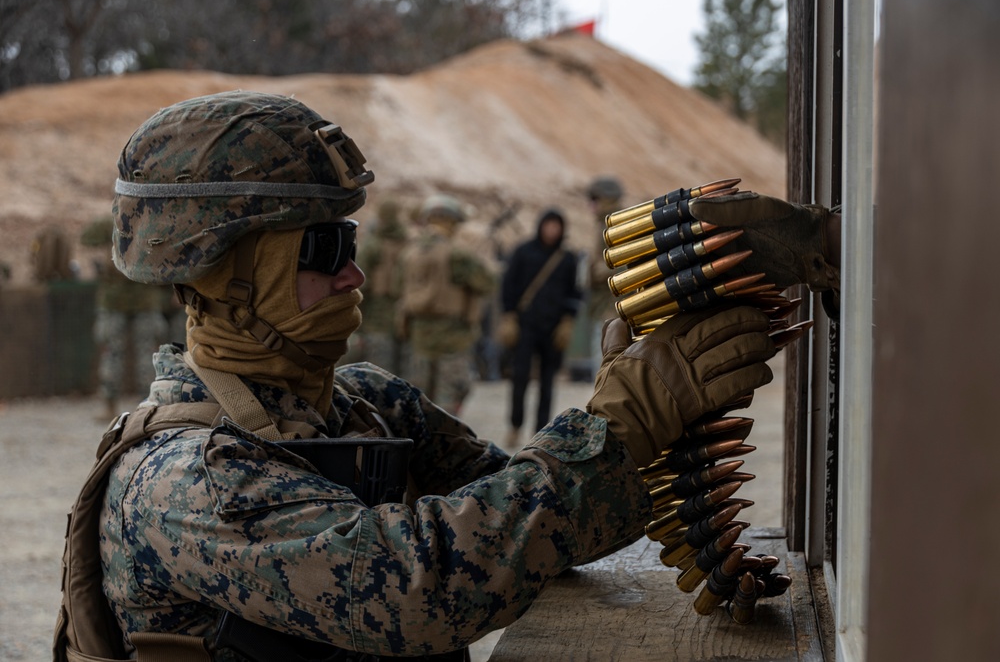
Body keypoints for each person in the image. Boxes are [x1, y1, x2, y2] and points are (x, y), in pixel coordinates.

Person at [54, 91, 789, 662]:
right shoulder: (186, 481)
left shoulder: (365, 403)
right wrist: (615, 428)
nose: (355, 271)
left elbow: (538, 534)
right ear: (222, 273)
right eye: (321, 248)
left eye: (351, 240)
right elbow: (421, 583)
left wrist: (631, 410)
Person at [397, 194, 496, 415]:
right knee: (448, 407)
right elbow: (487, 283)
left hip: (419, 336)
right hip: (453, 339)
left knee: (419, 404)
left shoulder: (410, 253)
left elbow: (398, 288)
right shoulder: (458, 254)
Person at [497, 208, 581, 447]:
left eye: (557, 226)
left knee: (547, 382)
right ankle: (515, 426)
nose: (552, 230)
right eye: (549, 225)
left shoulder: (567, 258)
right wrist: (509, 316)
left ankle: (541, 432)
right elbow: (508, 285)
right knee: (520, 378)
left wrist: (568, 321)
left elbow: (575, 292)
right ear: (541, 226)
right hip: (525, 326)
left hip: (553, 329)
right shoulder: (523, 252)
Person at [80, 217, 169, 419]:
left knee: (143, 355)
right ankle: (120, 405)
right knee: (116, 353)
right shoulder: (132, 224)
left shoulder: (146, 225)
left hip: (140, 300)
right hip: (121, 302)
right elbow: (87, 240)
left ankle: (147, 406)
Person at [355, 198, 409, 373]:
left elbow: (360, 282)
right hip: (405, 317)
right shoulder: (408, 243)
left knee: (378, 371)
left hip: (376, 317)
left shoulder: (372, 245)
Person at [583, 176, 625, 379]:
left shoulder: (618, 225)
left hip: (613, 309)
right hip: (601, 306)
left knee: (608, 367)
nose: (592, 205)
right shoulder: (602, 226)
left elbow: (628, 263)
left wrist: (603, 269)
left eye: (596, 199)